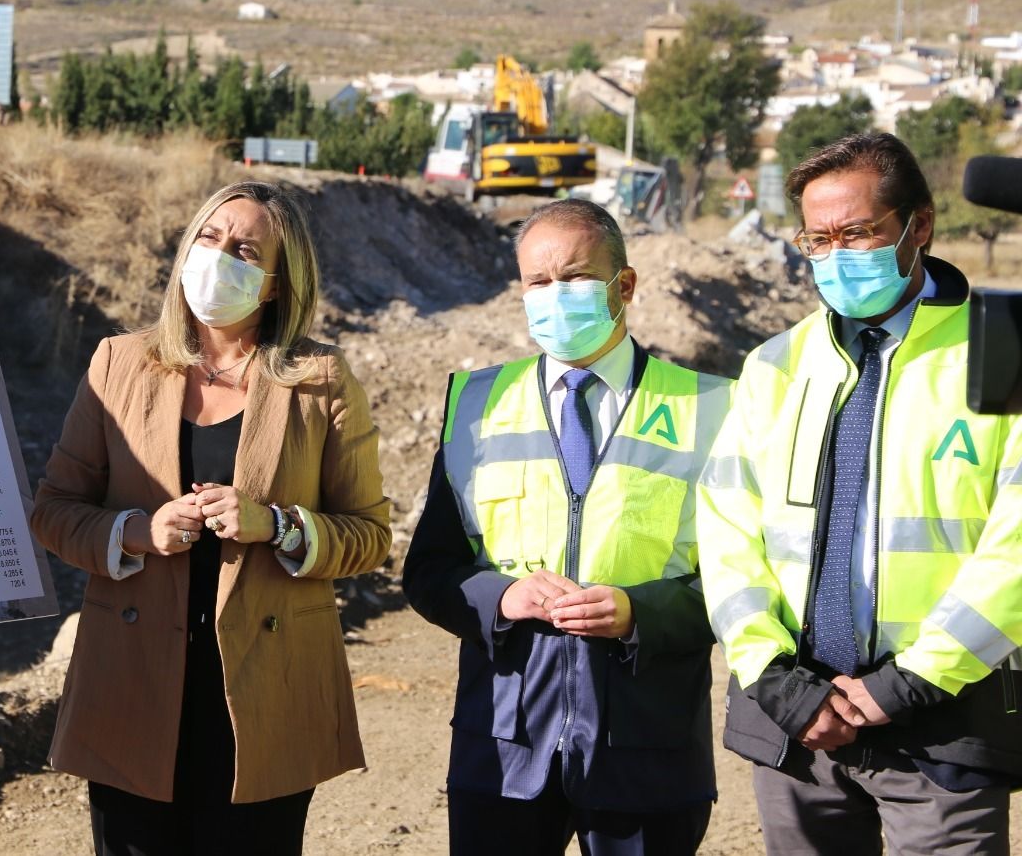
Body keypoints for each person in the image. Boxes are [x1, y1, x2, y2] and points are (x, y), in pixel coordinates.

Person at [29, 180, 391, 856]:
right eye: (210, 237)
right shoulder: (118, 363)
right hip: (133, 685)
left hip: (265, 691)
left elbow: (369, 533)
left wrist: (279, 525)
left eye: (246, 250)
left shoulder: (320, 380)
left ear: (277, 285)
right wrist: (138, 531)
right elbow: (53, 511)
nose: (219, 256)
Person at [697, 131, 1022, 855]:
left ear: (920, 226)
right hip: (799, 727)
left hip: (944, 723)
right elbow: (725, 534)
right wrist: (775, 680)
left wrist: (910, 683)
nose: (837, 255)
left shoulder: (1000, 355)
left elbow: (1017, 549)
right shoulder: (774, 367)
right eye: (818, 239)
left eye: (858, 232)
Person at [403, 198, 731, 855]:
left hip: (647, 749)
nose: (556, 295)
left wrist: (640, 612)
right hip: (503, 750)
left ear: (625, 286)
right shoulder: (475, 404)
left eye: (577, 277)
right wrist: (501, 598)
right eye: (538, 282)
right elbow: (430, 572)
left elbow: (745, 586)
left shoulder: (712, 408)